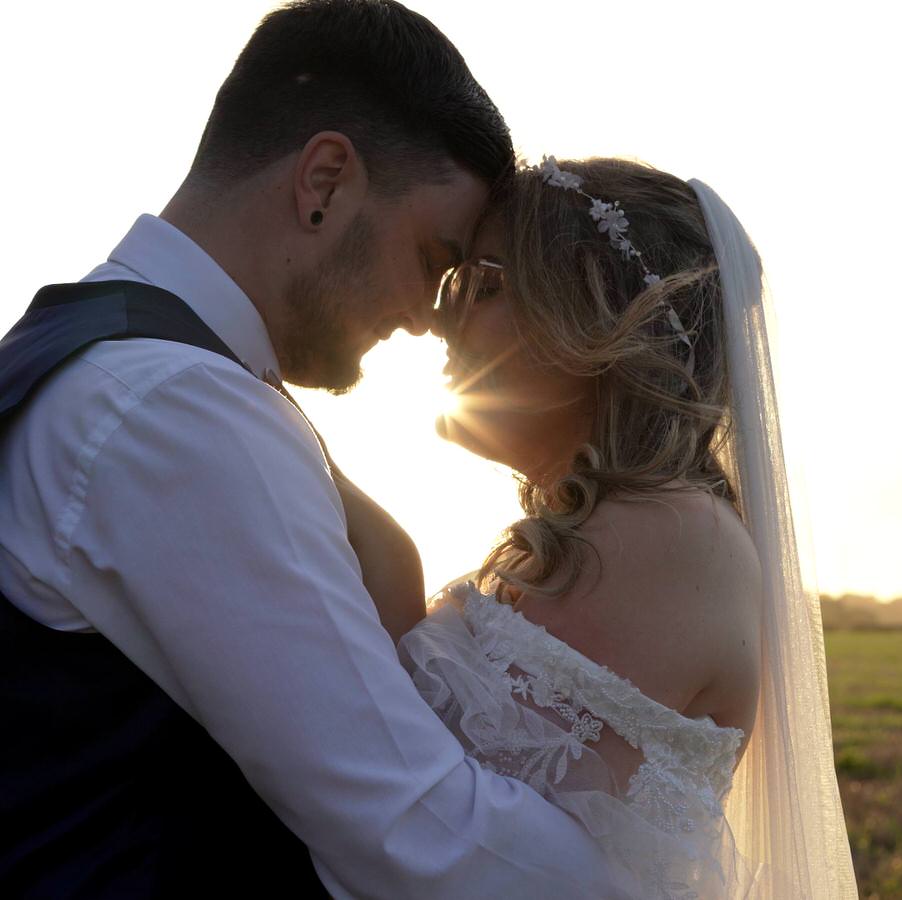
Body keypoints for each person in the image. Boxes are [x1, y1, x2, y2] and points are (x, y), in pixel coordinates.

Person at [0, 2, 628, 897]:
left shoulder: (100, 353)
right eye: (434, 258)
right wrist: (653, 873)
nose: (427, 318)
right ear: (324, 181)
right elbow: (411, 829)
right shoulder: (179, 409)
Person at [359, 156, 859, 897]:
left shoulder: (670, 534)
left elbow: (447, 830)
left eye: (482, 284)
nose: (438, 317)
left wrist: (354, 521)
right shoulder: (621, 525)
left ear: (595, 316)